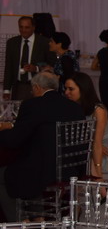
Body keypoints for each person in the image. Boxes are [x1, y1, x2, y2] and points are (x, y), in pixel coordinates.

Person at [0, 72, 84, 221]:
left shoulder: (32, 105)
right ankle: (38, 216)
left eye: (32, 89)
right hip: (71, 168)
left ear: (37, 87)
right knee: (30, 163)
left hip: (44, 170)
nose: (32, 92)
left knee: (7, 173)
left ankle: (19, 223)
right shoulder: (75, 107)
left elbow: (14, 140)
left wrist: (3, 132)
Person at [64, 72, 108, 179]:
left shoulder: (98, 110)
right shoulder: (70, 107)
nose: (66, 92)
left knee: (83, 156)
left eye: (71, 89)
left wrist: (89, 147)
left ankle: (97, 181)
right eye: (65, 88)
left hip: (101, 147)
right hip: (84, 145)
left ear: (83, 89)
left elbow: (98, 143)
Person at [2, 16, 54, 101]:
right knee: (18, 109)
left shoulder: (44, 42)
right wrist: (6, 90)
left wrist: (36, 68)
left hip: (39, 86)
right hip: (18, 87)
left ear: (33, 27)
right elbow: (9, 67)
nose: (23, 30)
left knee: (37, 109)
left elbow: (52, 63)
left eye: (27, 27)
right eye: (21, 27)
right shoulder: (12, 43)